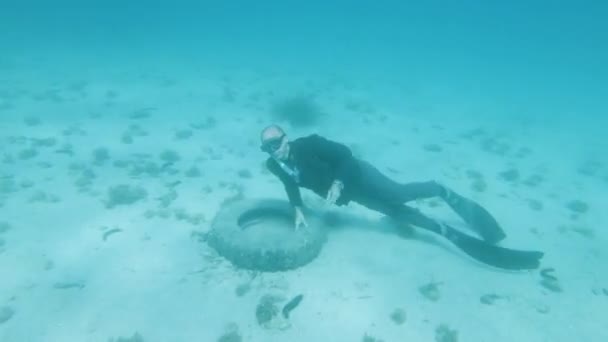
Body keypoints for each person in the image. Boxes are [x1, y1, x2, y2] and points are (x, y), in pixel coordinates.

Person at [260, 124, 506, 244]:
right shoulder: (275, 165)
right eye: (267, 148)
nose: (274, 151)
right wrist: (297, 209)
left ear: (286, 138)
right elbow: (290, 184)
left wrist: (338, 182)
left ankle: (439, 189)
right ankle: (438, 229)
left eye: (276, 143)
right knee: (393, 211)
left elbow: (346, 155)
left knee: (398, 194)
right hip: (352, 194)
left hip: (359, 176)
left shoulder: (311, 144)